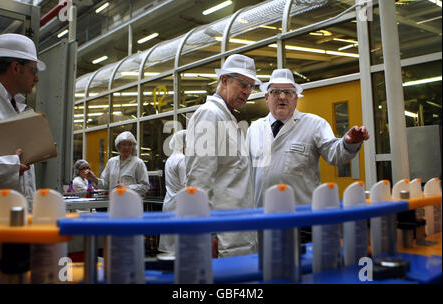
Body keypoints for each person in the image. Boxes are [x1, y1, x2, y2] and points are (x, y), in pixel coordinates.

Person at [247, 68, 369, 246]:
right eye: (275, 92)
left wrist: (348, 143)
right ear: (267, 98)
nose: (282, 97)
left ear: (296, 98)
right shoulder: (254, 129)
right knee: (267, 269)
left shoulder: (314, 124)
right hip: (262, 219)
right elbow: (246, 172)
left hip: (302, 221)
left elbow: (334, 154)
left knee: (304, 270)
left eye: (288, 92)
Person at [185, 54, 261, 257]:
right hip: (222, 237)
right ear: (224, 80)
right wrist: (206, 232)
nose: (246, 92)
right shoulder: (210, 114)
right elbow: (198, 180)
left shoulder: (227, 118)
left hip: (236, 234)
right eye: (242, 84)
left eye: (251, 87)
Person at [0, 33, 46, 211]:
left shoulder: (15, 106)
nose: (36, 78)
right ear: (16, 68)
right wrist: (9, 166)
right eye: (33, 70)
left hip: (17, 219)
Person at [86, 131, 150, 196]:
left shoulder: (138, 163)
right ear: (118, 146)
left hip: (131, 203)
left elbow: (145, 186)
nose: (126, 147)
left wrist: (127, 188)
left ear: (133, 146)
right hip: (114, 202)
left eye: (129, 144)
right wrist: (94, 179)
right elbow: (106, 184)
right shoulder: (111, 162)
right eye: (124, 144)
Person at [158, 130, 187, 255]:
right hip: (180, 204)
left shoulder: (170, 159)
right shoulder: (182, 159)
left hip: (169, 201)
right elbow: (186, 185)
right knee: (178, 246)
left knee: (169, 245)